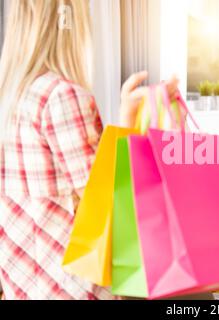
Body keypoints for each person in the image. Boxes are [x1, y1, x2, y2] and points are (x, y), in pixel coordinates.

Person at [0, 0, 178, 300]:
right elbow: (110, 206)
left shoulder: (14, 97)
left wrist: (124, 120)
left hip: (24, 284)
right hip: (72, 288)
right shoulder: (62, 96)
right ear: (68, 19)